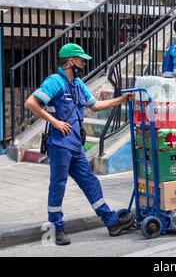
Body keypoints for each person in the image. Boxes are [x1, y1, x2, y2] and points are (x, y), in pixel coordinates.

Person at [25, 43, 135, 245]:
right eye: (81, 60)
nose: (84, 64)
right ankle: (56, 228)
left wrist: (122, 99)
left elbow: (96, 105)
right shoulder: (55, 81)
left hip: (75, 145)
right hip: (59, 145)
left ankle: (111, 222)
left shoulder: (77, 84)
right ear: (70, 61)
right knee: (58, 185)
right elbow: (31, 102)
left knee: (90, 182)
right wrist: (55, 122)